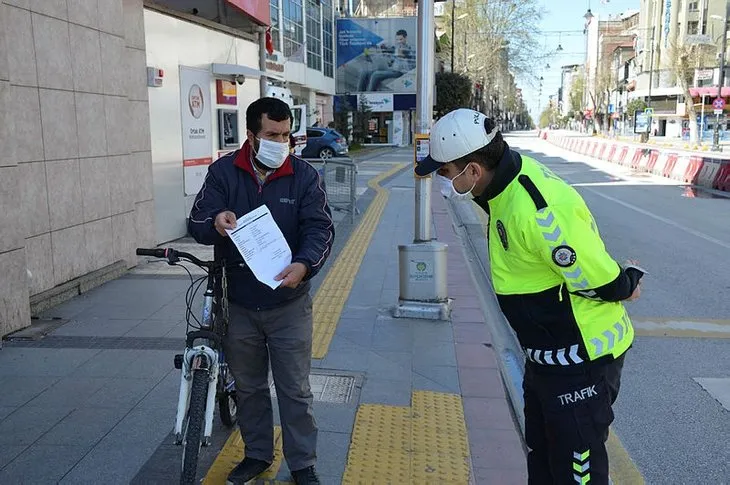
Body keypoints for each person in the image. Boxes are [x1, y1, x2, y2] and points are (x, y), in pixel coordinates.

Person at [414, 109, 644, 485]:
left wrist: (628, 281)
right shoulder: (500, 185)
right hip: (545, 359)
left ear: (472, 171)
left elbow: (597, 279)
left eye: (445, 172)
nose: (444, 181)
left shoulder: (537, 211)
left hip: (581, 361)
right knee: (543, 458)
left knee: (576, 472)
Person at [188, 97, 334, 485]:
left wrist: (304, 265)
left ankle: (303, 464)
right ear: (251, 135)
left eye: (286, 135)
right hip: (238, 302)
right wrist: (216, 221)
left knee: (295, 390)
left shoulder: (303, 175)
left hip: (289, 301)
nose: (281, 141)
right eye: (272, 134)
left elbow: (320, 228)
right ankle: (257, 454)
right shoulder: (224, 172)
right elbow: (198, 221)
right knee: (249, 388)